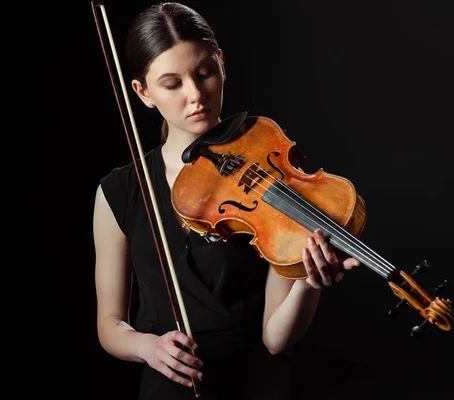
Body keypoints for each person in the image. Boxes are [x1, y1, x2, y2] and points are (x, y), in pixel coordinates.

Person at [92, 2, 361, 399]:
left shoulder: (266, 172)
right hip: (171, 388)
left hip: (258, 385)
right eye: (172, 84)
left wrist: (308, 282)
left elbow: (275, 338)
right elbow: (110, 325)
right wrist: (146, 347)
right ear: (143, 92)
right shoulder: (119, 191)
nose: (196, 94)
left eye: (205, 73)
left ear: (222, 64)